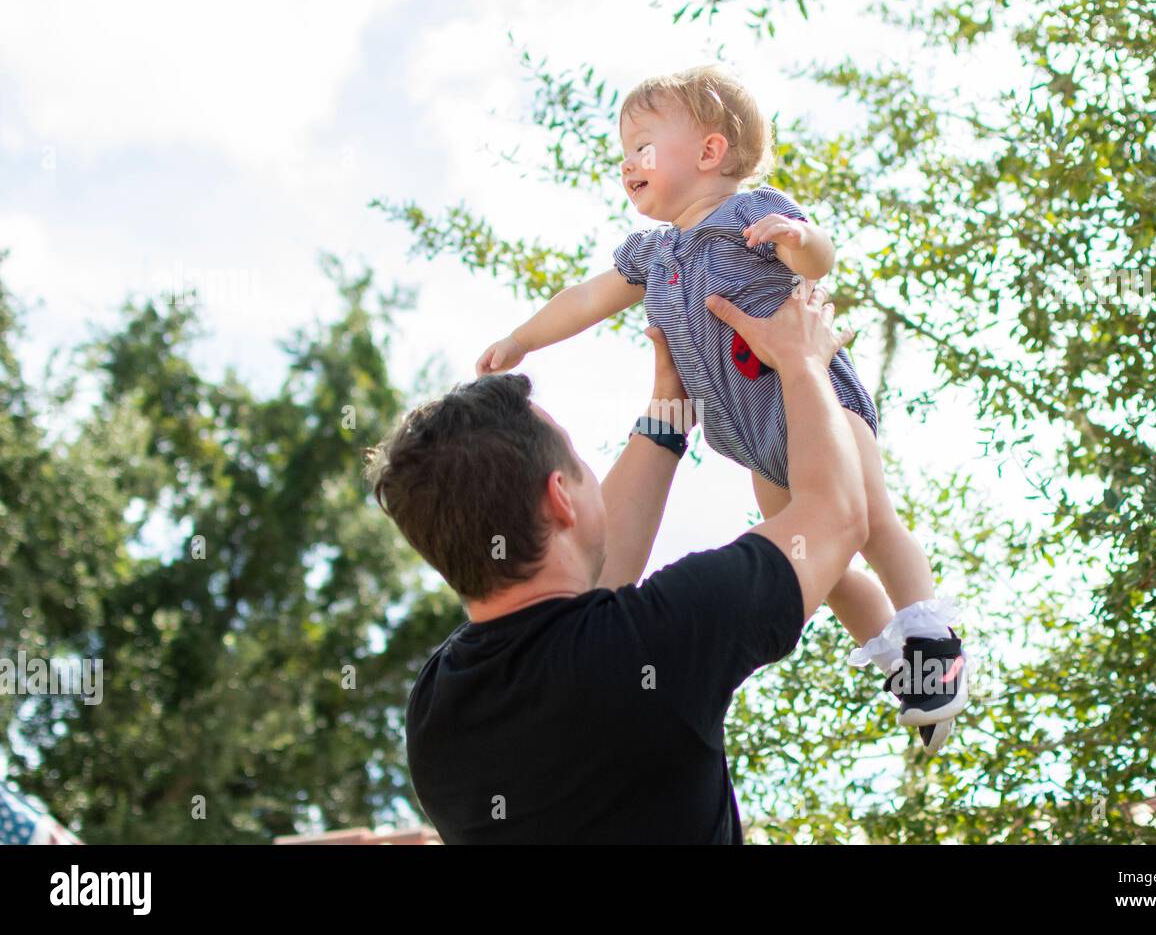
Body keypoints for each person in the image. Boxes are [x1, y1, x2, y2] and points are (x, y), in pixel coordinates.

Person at [475, 65, 967, 751]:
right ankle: (901, 666)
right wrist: (522, 339)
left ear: (709, 152)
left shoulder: (750, 214)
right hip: (754, 440)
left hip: (817, 403)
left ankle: (934, 642)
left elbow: (819, 259)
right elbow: (586, 297)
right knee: (817, 561)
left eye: (643, 146)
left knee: (872, 521)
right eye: (624, 152)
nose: (627, 163)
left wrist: (796, 239)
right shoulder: (652, 255)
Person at [367, 281, 943, 842]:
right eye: (578, 461)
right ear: (560, 497)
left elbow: (579, 601)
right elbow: (837, 516)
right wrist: (802, 362)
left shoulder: (436, 718)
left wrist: (668, 415)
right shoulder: (657, 640)